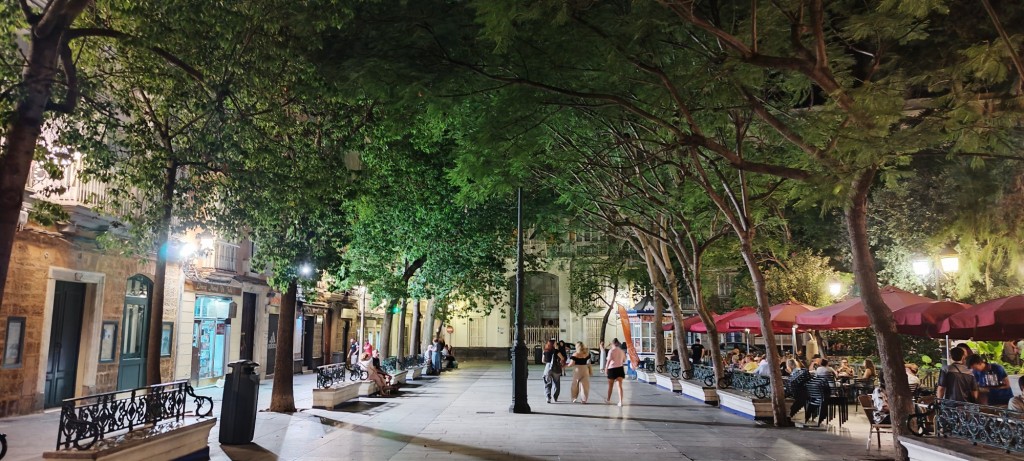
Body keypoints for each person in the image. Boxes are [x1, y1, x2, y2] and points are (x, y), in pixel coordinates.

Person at [602, 339, 626, 406]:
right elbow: (624, 360)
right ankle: (620, 401)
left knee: (610, 386)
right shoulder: (622, 351)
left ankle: (608, 399)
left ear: (612, 344)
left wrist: (606, 368)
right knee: (619, 386)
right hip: (620, 369)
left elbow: (608, 360)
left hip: (612, 369)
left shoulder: (611, 351)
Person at [542, 339, 565, 403]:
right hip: (556, 368)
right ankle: (555, 397)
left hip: (547, 368)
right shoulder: (556, 351)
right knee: (557, 383)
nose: (556, 344)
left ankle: (548, 398)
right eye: (555, 343)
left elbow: (543, 360)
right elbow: (562, 358)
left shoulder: (545, 351)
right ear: (553, 344)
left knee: (547, 383)